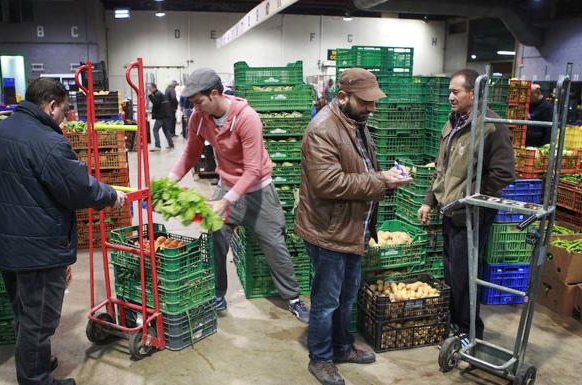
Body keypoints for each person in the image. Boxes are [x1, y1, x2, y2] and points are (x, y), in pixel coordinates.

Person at [0, 78, 126, 385]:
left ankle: (34, 360)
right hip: (38, 248)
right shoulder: (48, 142)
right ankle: (36, 379)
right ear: (51, 105)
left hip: (5, 242)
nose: (64, 116)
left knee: (24, 311)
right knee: (40, 320)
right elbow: (78, 188)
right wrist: (111, 195)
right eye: (63, 109)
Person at [296, 68, 413, 385]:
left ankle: (342, 346)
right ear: (343, 96)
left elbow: (359, 166)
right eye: (366, 102)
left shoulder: (356, 121)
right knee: (325, 302)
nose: (372, 108)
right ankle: (320, 358)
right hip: (329, 233)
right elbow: (326, 183)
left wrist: (386, 179)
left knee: (347, 297)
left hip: (353, 229)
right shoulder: (322, 129)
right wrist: (380, 180)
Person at [168, 68, 309, 322]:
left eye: (198, 101)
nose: (195, 108)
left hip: (258, 190)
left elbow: (253, 169)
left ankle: (293, 298)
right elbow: (190, 153)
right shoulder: (199, 118)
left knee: (274, 244)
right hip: (226, 186)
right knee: (215, 241)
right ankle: (217, 294)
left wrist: (226, 200)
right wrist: (170, 181)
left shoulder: (247, 118)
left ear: (214, 94)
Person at [418, 69, 515, 346]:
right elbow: (442, 169)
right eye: (450, 91)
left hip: (472, 214)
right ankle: (455, 325)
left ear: (473, 93)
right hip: (450, 210)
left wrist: (469, 196)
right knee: (451, 273)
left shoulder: (492, 126)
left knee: (464, 274)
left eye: (455, 91)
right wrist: (429, 201)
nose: (450, 96)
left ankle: (471, 333)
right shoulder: (452, 124)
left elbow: (503, 173)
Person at [148, 83, 174, 151]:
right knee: (165, 130)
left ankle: (157, 146)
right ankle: (171, 144)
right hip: (164, 115)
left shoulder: (158, 94)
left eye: (150, 88)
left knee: (155, 130)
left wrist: (150, 96)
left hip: (161, 116)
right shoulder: (159, 93)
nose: (149, 90)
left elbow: (156, 103)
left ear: (154, 88)